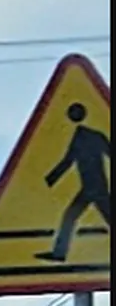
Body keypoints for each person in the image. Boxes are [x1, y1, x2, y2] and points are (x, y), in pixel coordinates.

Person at [40, 100, 111, 263]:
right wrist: (49, 180)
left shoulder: (91, 137)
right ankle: (59, 253)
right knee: (69, 216)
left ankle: (59, 253)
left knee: (71, 216)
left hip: (98, 188)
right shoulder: (80, 137)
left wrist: (50, 180)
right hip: (88, 188)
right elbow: (68, 161)